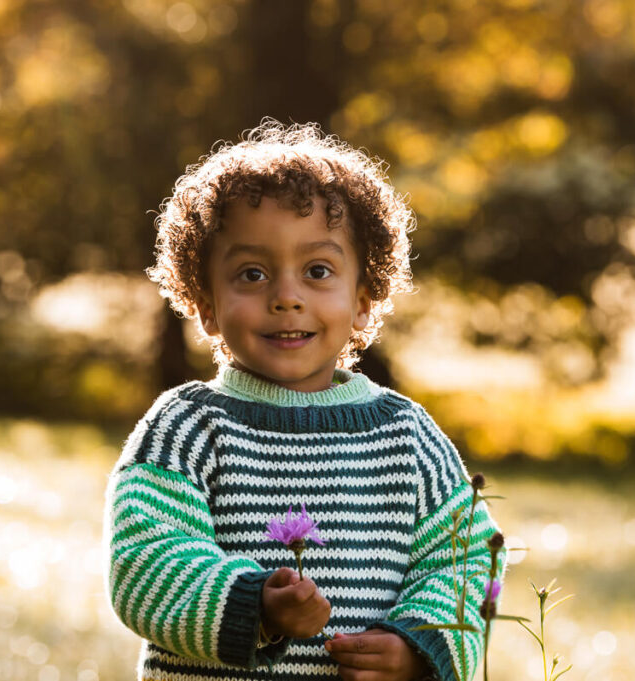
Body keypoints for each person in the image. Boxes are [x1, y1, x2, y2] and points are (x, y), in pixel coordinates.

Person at [104, 119, 506, 681]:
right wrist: (256, 607)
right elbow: (144, 563)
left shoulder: (407, 436)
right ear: (207, 305)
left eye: (318, 271)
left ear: (364, 300)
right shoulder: (185, 427)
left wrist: (418, 647)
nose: (286, 297)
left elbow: (466, 560)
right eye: (252, 273)